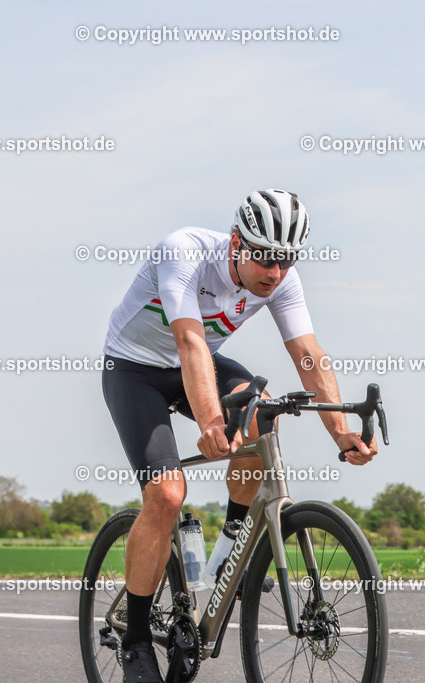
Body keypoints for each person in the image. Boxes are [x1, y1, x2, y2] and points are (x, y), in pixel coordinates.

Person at [101, 188, 378, 681]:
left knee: (260, 415)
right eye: (266, 258)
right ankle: (137, 640)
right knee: (166, 494)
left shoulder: (282, 281)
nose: (275, 272)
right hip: (135, 369)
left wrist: (340, 431)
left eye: (287, 260)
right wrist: (210, 422)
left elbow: (308, 355)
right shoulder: (184, 251)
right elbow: (188, 341)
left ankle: (236, 540)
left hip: (201, 364)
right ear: (236, 243)